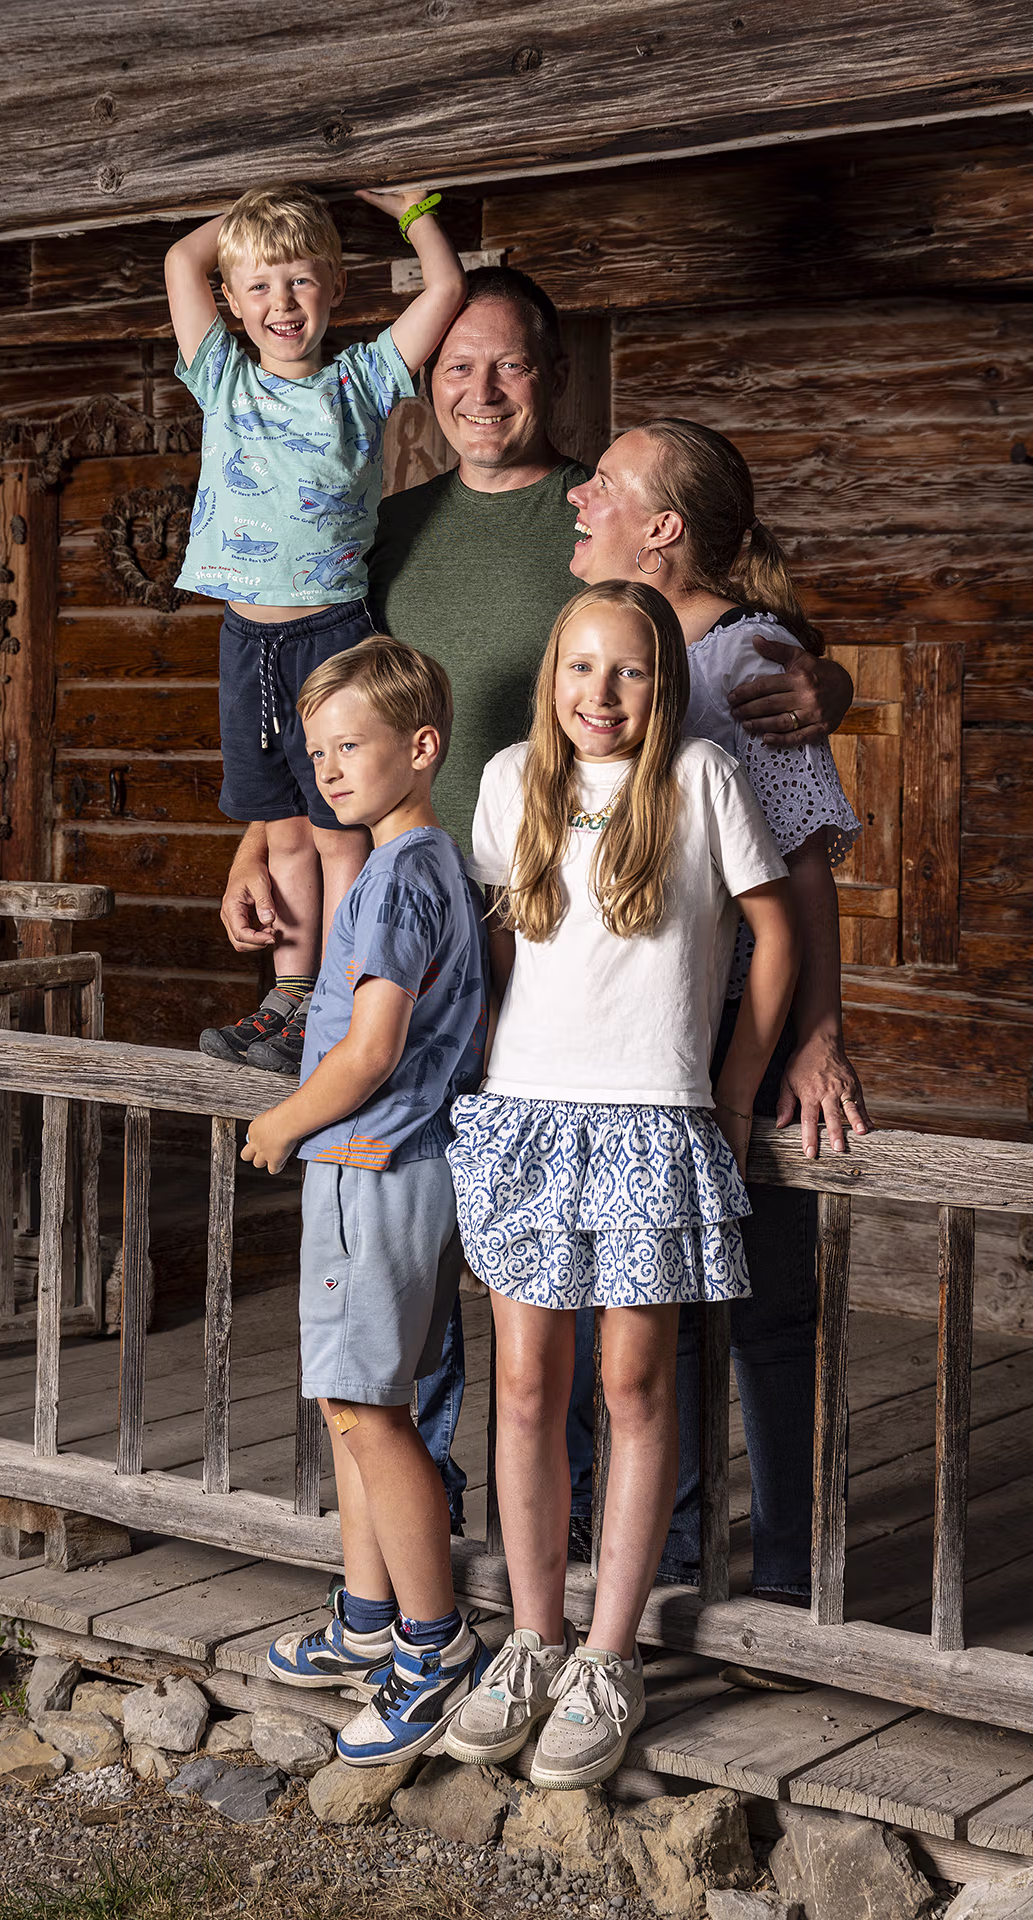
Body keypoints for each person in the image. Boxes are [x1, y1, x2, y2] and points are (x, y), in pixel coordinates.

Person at [216, 269, 856, 1552]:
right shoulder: (391, 534)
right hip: (475, 965)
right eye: (452, 366)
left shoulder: (685, 620)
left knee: (654, 1310)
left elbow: (784, 844)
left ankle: (708, 1558)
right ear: (417, 385)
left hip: (652, 1002)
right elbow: (317, 680)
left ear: (550, 380)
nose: (478, 391)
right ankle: (464, 1533)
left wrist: (818, 676)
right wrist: (267, 823)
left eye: (505, 365)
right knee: (489, 1275)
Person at [444, 581, 799, 1786]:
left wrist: (737, 1085)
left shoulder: (700, 780)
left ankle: (607, 1655)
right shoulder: (508, 783)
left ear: (664, 684)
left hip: (653, 1112)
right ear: (552, 678)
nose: (602, 696)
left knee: (632, 1381)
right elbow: (500, 943)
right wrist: (482, 1066)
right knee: (526, 1383)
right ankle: (532, 1636)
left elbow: (774, 936)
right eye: (581, 670)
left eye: (631, 672)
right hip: (529, 1115)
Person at [566, 418, 869, 1606]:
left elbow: (800, 869)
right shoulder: (615, 651)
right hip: (646, 1026)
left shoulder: (742, 659)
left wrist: (812, 1040)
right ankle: (672, 1563)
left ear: (662, 529)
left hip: (739, 1021)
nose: (577, 498)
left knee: (762, 1308)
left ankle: (789, 1578)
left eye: (604, 485)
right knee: (653, 1304)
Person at [242, 634, 491, 1765]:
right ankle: (364, 1619)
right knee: (355, 1401)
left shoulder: (394, 876)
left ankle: (431, 1648)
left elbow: (374, 1043)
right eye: (317, 751)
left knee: (367, 1412)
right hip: (393, 1169)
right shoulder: (433, 862)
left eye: (352, 746)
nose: (329, 770)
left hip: (367, 1165)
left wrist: (283, 1123)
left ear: (420, 747)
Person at [164, 182, 466, 1071]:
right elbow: (183, 259)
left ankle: (334, 992)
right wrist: (265, 205)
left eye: (299, 281)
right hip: (244, 642)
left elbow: (443, 292)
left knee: (337, 833)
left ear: (334, 286)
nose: (281, 305)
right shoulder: (220, 375)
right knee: (282, 830)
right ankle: (286, 1001)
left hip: (334, 637)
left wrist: (415, 216)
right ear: (232, 302)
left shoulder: (363, 379)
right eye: (258, 287)